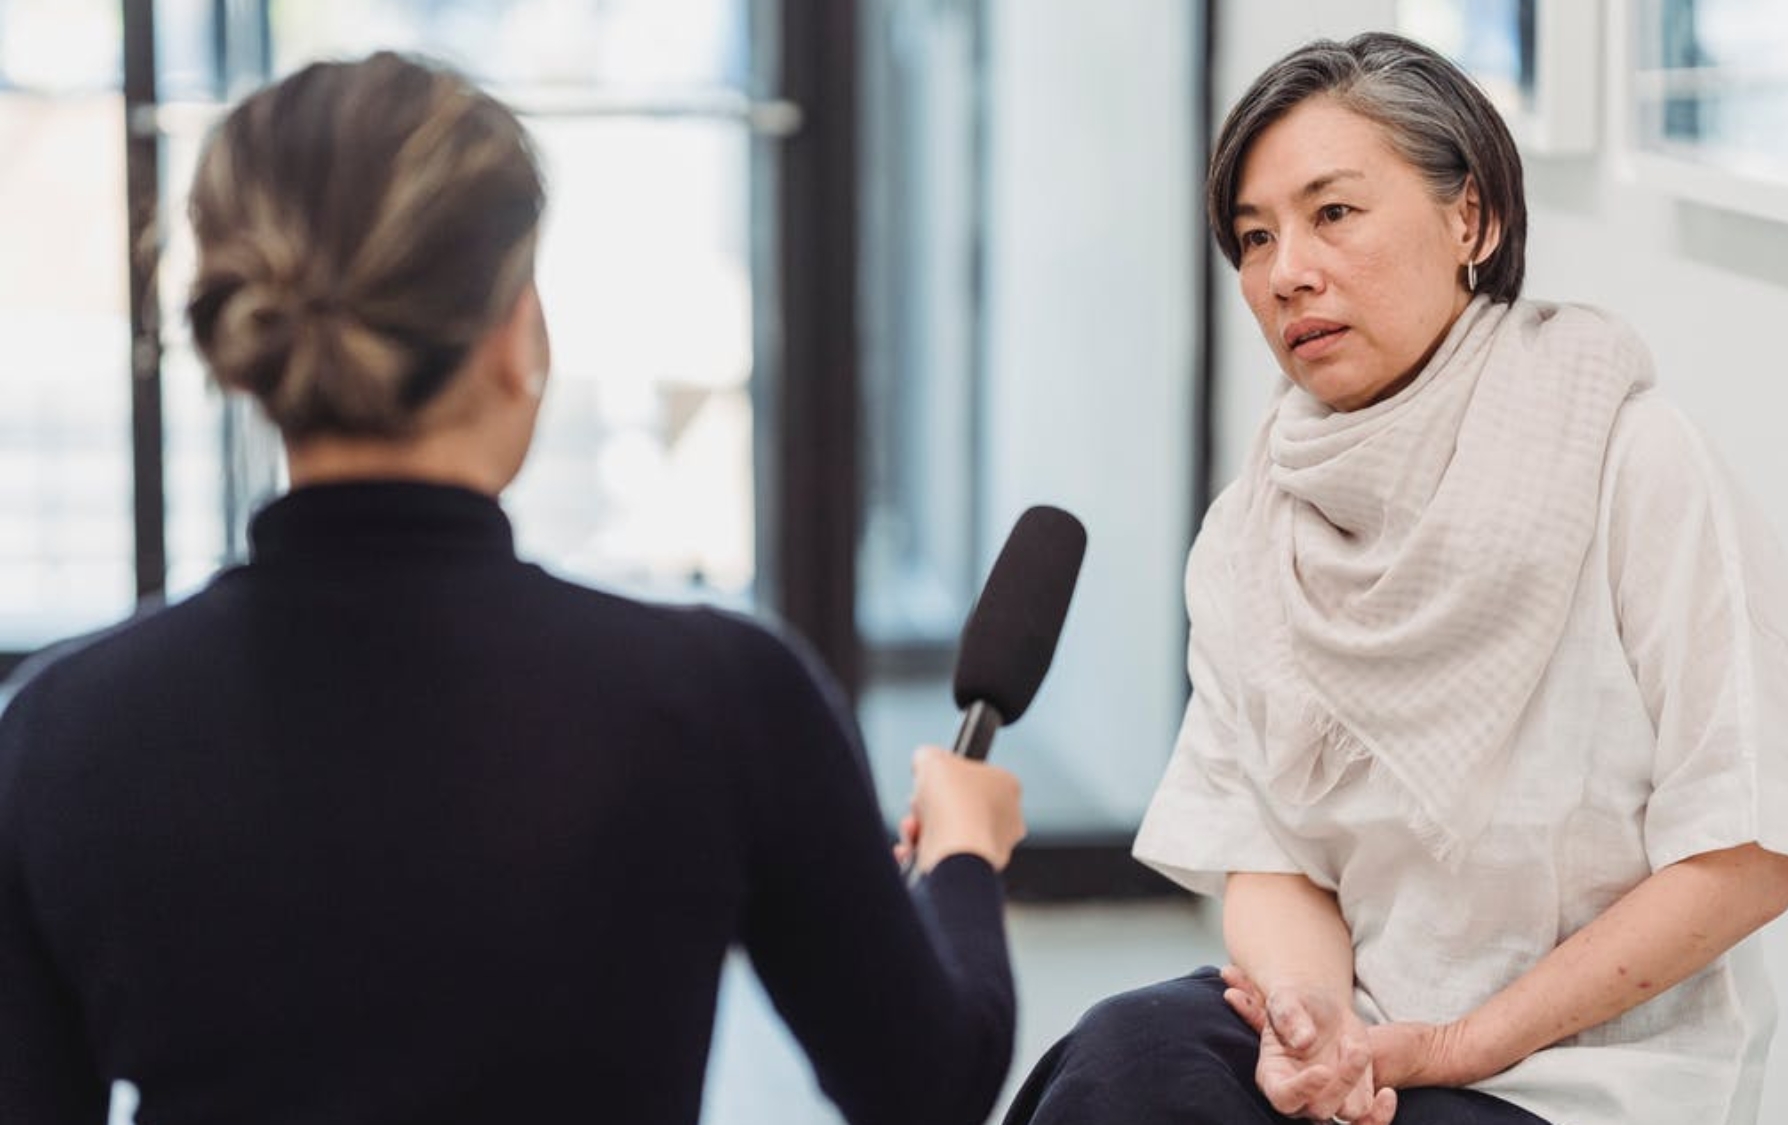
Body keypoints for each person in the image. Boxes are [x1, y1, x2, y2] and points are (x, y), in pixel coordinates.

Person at [0, 52, 1025, 1125]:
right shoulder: (721, 699)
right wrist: (960, 856)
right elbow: (928, 1086)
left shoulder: (60, 731)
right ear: (512, 336)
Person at [1003, 33, 1788, 1125]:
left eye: (1332, 213)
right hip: (1364, 1022)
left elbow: (1746, 853)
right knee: (1119, 1060)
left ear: (1468, 219)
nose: (1286, 269)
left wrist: (1449, 1046)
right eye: (1253, 236)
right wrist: (1310, 1024)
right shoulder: (1253, 529)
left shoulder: (1633, 461)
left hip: (1581, 1073)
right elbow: (1268, 855)